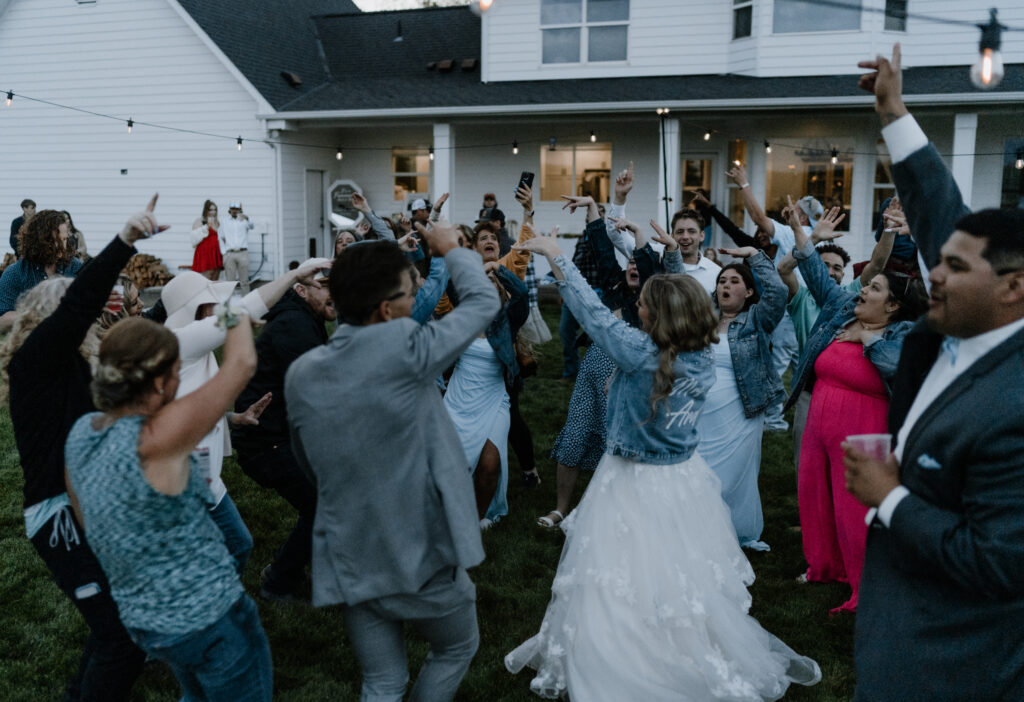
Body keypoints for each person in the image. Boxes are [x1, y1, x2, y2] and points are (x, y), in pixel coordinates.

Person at [506, 233, 820, 700]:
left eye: (645, 304)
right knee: (677, 571)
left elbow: (593, 314)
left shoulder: (640, 353)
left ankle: (622, 657)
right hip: (684, 479)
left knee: (616, 570)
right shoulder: (700, 357)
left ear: (658, 314)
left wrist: (556, 256)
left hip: (631, 479)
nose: (639, 307)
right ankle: (669, 643)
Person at [842, 44, 1024, 701]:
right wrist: (893, 111)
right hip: (898, 623)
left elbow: (1000, 562)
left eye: (952, 268)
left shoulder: (1016, 403)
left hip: (955, 659)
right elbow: (938, 209)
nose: (931, 275)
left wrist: (888, 496)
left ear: (1012, 290)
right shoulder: (967, 316)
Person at [285, 221, 499, 702]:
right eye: (410, 292)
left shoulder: (302, 372)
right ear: (386, 310)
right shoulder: (407, 350)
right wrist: (449, 250)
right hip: (422, 551)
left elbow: (306, 459)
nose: (416, 297)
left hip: (350, 549)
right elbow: (484, 303)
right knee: (457, 647)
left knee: (382, 681)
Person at [0, 195, 168, 701]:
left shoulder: (78, 365)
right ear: (51, 316)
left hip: (89, 506)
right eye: (74, 306)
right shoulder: (35, 361)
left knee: (114, 629)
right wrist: (124, 241)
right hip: (57, 515)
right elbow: (78, 307)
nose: (88, 313)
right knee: (122, 639)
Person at [65, 314, 273, 702]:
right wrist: (230, 307)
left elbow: (87, 521)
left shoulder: (81, 433)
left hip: (149, 621)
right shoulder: (157, 438)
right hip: (211, 619)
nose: (180, 381)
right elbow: (242, 363)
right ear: (159, 382)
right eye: (177, 372)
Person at [786, 196, 926, 614]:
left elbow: (895, 369)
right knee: (814, 498)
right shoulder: (841, 311)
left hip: (863, 431)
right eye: (866, 285)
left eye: (875, 288)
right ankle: (822, 566)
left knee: (854, 509)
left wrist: (867, 339)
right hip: (817, 426)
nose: (863, 290)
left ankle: (866, 587)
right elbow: (814, 275)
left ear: (894, 304)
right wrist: (802, 233)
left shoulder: (902, 334)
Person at [160, 256, 330, 575]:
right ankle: (210, 605)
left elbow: (187, 407)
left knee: (236, 545)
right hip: (185, 480)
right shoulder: (181, 343)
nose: (219, 308)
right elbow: (244, 310)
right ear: (194, 308)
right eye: (213, 302)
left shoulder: (190, 348)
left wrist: (233, 419)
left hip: (205, 475)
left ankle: (213, 601)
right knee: (217, 551)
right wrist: (293, 273)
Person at [538, 210, 680, 529]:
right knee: (574, 436)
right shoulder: (615, 289)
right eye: (628, 263)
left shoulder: (648, 309)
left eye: (636, 264)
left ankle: (602, 513)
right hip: (591, 368)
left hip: (621, 374)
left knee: (612, 445)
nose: (632, 266)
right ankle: (561, 508)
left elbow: (652, 272)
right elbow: (603, 250)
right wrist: (592, 208)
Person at [232, 266, 335, 602]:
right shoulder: (295, 325)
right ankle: (277, 582)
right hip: (264, 441)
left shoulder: (305, 319)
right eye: (324, 287)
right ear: (302, 291)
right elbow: (320, 388)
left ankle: (314, 567)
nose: (333, 293)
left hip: (279, 433)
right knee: (321, 504)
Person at [697, 245, 787, 551]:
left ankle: (729, 531)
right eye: (723, 280)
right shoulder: (704, 321)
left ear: (749, 292)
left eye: (735, 281)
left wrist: (755, 255)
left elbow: (777, 291)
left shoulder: (756, 320)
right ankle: (700, 528)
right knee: (700, 471)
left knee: (732, 475)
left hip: (742, 410)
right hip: (700, 410)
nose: (726, 285)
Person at [0, 208, 84, 332]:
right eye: (55, 241)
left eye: (64, 239)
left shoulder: (76, 267)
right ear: (37, 241)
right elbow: (3, 320)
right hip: (29, 343)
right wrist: (37, 315)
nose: (62, 246)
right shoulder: (15, 273)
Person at [219, 201, 254, 294]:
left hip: (243, 252)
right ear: (229, 210)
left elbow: (252, 226)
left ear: (240, 209)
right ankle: (229, 304)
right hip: (229, 253)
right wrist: (224, 253)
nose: (234, 211)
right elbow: (221, 237)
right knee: (230, 282)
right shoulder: (224, 221)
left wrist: (247, 218)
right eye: (233, 209)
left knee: (244, 281)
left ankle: (246, 302)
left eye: (236, 209)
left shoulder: (244, 220)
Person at [191, 200, 223, 281]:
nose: (213, 212)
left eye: (215, 210)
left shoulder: (217, 222)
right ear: (206, 210)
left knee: (215, 278)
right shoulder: (200, 221)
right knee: (206, 278)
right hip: (205, 253)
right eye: (211, 210)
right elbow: (194, 236)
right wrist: (206, 227)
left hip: (215, 253)